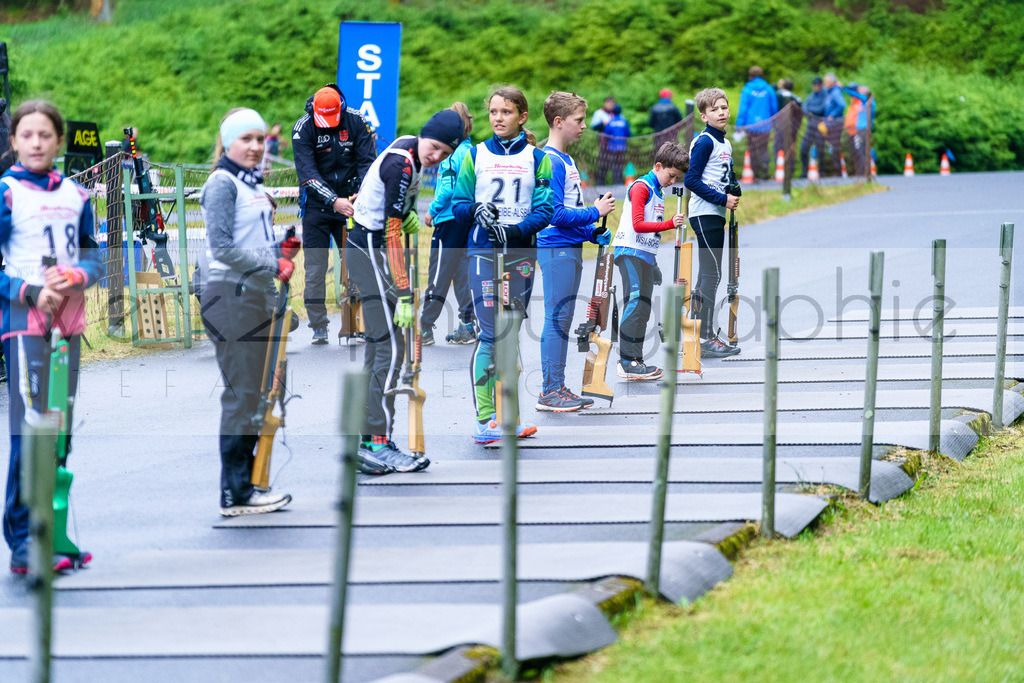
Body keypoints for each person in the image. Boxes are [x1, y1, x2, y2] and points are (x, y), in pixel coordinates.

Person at [1, 100, 105, 572]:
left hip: (70, 324)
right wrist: (28, 290)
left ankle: (53, 530)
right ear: (14, 142)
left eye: (45, 135)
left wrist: (77, 277)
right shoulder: (5, 192)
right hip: (25, 325)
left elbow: (95, 258)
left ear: (59, 141)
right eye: (28, 135)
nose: (37, 143)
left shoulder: (77, 195)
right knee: (30, 430)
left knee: (60, 429)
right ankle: (23, 540)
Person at [348, 109, 463, 473]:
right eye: (434, 148)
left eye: (445, 154)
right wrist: (404, 292)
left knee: (383, 348)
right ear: (423, 136)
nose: (436, 157)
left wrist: (409, 209)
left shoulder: (410, 149)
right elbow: (393, 233)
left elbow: (395, 214)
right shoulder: (401, 164)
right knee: (390, 348)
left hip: (371, 245)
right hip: (371, 249)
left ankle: (371, 436)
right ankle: (375, 442)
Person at [199, 107, 298, 517]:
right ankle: (235, 494)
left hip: (255, 295)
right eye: (247, 139)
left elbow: (252, 243)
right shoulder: (222, 184)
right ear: (229, 142)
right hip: (228, 296)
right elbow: (222, 248)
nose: (256, 147)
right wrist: (271, 264)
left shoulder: (251, 183)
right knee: (241, 394)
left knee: (259, 393)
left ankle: (251, 484)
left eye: (260, 139)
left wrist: (280, 249)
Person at [451, 85, 553, 444]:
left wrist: (515, 231)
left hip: (521, 254)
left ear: (522, 116)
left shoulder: (538, 158)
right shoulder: (474, 155)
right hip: (482, 253)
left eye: (506, 112)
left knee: (510, 335)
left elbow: (545, 209)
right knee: (490, 333)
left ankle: (509, 416)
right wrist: (475, 211)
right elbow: (458, 203)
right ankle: (484, 419)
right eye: (493, 112)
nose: (498, 118)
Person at [537, 91, 615, 411]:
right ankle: (550, 389)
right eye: (579, 120)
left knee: (564, 320)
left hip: (569, 246)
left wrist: (592, 232)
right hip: (555, 249)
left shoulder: (567, 159)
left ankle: (557, 386)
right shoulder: (550, 160)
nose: (584, 126)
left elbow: (573, 210)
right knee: (557, 320)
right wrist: (595, 213)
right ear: (559, 122)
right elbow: (554, 214)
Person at [292, 84, 376, 344]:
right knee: (315, 269)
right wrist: (332, 200)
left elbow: (368, 162)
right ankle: (318, 325)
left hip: (351, 203)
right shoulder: (303, 128)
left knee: (356, 264)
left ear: (341, 107)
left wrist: (361, 193)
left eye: (332, 119)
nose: (327, 125)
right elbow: (307, 173)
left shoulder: (357, 120)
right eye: (323, 119)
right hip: (317, 207)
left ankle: (356, 322)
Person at [611, 141, 688, 380]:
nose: (673, 181)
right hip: (630, 252)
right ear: (658, 166)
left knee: (643, 308)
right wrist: (669, 223)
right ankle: (625, 361)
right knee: (635, 303)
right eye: (671, 175)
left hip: (644, 255)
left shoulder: (658, 191)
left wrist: (653, 263)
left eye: (677, 178)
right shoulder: (641, 187)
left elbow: (650, 233)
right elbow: (638, 225)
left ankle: (636, 358)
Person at [684, 87, 742, 358]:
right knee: (712, 274)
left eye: (724, 107)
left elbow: (721, 175)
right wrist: (722, 198)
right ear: (704, 115)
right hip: (704, 212)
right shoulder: (705, 141)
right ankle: (705, 336)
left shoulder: (725, 143)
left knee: (708, 274)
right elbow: (691, 180)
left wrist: (732, 189)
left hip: (716, 212)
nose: (722, 112)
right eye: (715, 109)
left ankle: (697, 331)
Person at [420, 103, 477, 346]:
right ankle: (467, 324)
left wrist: (432, 210)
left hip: (448, 217)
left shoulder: (452, 153)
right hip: (466, 218)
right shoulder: (471, 150)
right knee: (461, 271)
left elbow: (448, 187)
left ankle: (423, 327)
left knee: (439, 272)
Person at [735, 66, 778, 180]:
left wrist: (739, 125)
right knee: (764, 149)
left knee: (752, 149)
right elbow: (774, 107)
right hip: (765, 125)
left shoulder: (747, 89)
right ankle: (765, 173)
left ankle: (755, 174)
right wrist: (773, 122)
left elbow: (743, 108)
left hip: (751, 125)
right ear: (761, 75)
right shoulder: (769, 89)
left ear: (750, 76)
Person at [841, 81, 875, 176]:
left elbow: (854, 94)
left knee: (863, 150)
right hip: (860, 129)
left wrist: (843, 88)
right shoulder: (863, 103)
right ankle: (864, 171)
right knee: (862, 150)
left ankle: (864, 171)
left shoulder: (866, 99)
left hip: (864, 129)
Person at [799, 76, 828, 178]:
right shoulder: (810, 96)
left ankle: (822, 172)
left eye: (817, 85)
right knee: (803, 149)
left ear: (820, 85)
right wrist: (810, 111)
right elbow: (804, 108)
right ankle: (804, 172)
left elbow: (821, 109)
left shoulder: (825, 95)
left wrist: (811, 111)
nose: (815, 87)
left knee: (821, 150)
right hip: (810, 126)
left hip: (820, 126)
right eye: (814, 85)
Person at [822, 73, 847, 176]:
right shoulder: (829, 91)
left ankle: (838, 171)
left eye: (827, 81)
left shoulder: (835, 92)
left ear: (832, 82)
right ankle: (835, 170)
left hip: (835, 123)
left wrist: (832, 115)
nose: (825, 83)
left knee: (834, 145)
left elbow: (842, 104)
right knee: (831, 145)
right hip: (829, 123)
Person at [602, 104, 631, 185]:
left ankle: (615, 181)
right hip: (622, 146)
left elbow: (606, 134)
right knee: (621, 163)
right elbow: (628, 134)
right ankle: (620, 181)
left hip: (612, 147)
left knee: (614, 163)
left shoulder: (610, 122)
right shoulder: (624, 121)